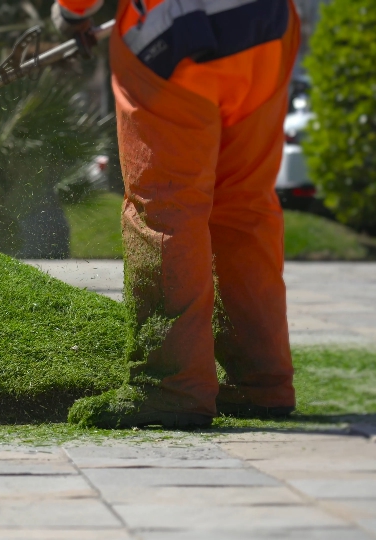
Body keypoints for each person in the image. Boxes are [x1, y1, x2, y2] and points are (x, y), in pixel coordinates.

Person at [53, 0, 301, 428]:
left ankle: (171, 387)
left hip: (174, 38)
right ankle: (260, 383)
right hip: (266, 27)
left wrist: (72, 15)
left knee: (166, 208)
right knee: (243, 204)